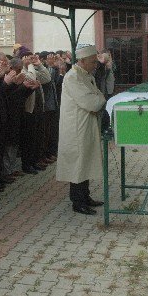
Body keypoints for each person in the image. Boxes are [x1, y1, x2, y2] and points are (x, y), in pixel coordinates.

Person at [55, 45, 106, 215]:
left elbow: (98, 97)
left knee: (86, 161)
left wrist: (98, 99)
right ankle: (77, 202)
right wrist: (98, 100)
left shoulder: (86, 75)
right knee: (78, 164)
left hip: (86, 125)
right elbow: (92, 102)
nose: (95, 65)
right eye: (92, 62)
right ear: (82, 61)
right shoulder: (73, 77)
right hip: (76, 128)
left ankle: (86, 196)